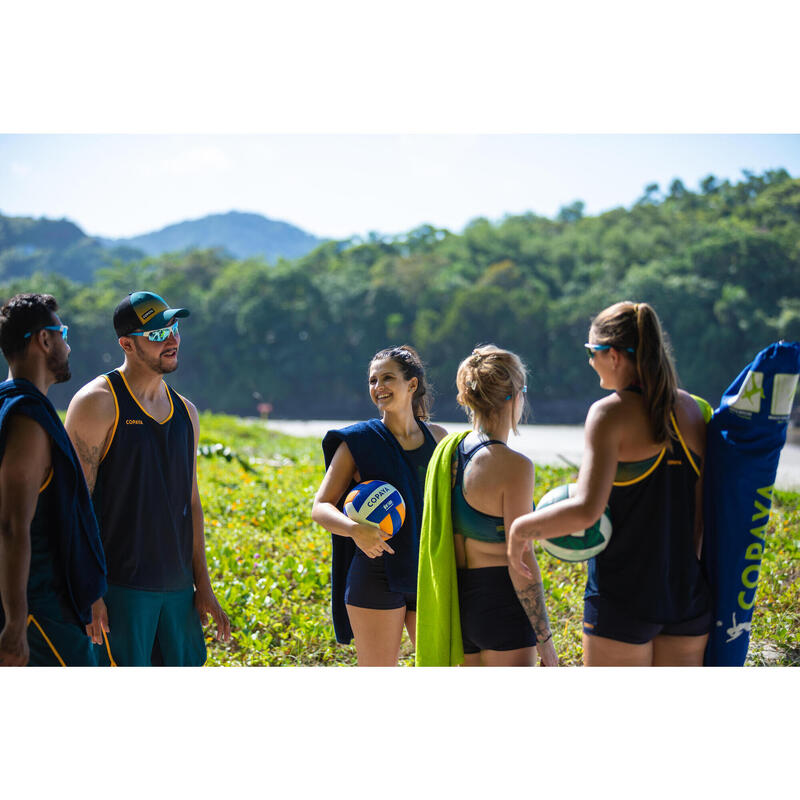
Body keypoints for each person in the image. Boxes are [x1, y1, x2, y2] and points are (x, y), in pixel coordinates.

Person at [508, 301, 711, 666]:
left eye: (592, 352)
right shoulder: (691, 410)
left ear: (613, 355)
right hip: (686, 596)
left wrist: (521, 529)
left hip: (624, 597)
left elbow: (587, 511)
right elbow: (699, 519)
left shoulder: (609, 413)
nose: (590, 361)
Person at [65, 291, 230, 666]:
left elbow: (190, 504)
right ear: (127, 344)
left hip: (176, 592)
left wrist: (201, 586)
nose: (171, 339)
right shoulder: (97, 402)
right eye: (156, 333)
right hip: (118, 591)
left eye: (173, 327)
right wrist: (88, 592)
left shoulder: (186, 412)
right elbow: (74, 505)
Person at [416, 345, 558, 666]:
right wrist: (545, 641)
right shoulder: (514, 466)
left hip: (457, 603)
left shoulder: (449, 453)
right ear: (513, 397)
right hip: (502, 603)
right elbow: (520, 558)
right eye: (522, 390)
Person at [312, 345, 447, 666]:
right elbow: (321, 507)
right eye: (373, 381)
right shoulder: (358, 441)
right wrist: (354, 530)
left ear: (412, 384)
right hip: (375, 574)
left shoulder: (439, 439)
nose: (378, 387)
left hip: (428, 574)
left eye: (387, 378)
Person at [0, 293, 106, 666]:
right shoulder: (27, 419)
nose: (68, 343)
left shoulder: (16, 406)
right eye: (62, 332)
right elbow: (13, 524)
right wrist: (15, 623)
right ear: (44, 340)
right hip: (38, 612)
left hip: (45, 608)